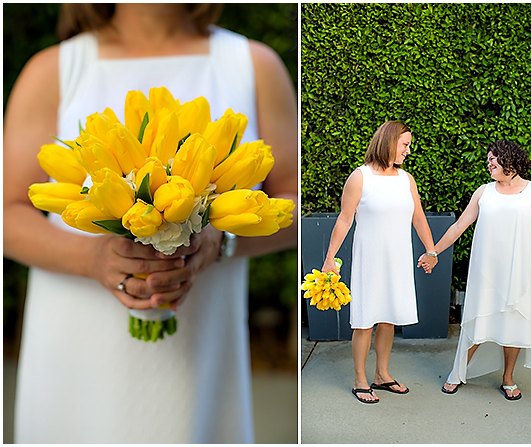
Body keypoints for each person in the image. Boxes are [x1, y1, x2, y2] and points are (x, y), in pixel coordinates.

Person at [3, 4, 298, 443]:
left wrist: (221, 240)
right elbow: (7, 211)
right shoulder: (54, 68)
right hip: (75, 346)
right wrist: (94, 257)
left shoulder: (253, 64)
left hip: (199, 352)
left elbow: (294, 204)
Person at [422, 140, 531, 401]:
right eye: (488, 159)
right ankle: (457, 373)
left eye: (493, 159)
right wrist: (433, 252)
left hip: (521, 271)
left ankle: (508, 379)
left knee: (514, 322)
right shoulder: (484, 192)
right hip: (486, 272)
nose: (488, 163)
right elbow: (458, 227)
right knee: (479, 319)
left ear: (510, 161)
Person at [321, 120, 438, 404]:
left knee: (388, 319)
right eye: (405, 144)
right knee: (365, 320)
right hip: (370, 258)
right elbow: (345, 219)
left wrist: (431, 250)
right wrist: (329, 258)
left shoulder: (406, 179)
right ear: (389, 141)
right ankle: (360, 379)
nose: (408, 150)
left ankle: (381, 375)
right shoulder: (360, 177)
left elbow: (419, 218)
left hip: (397, 258)